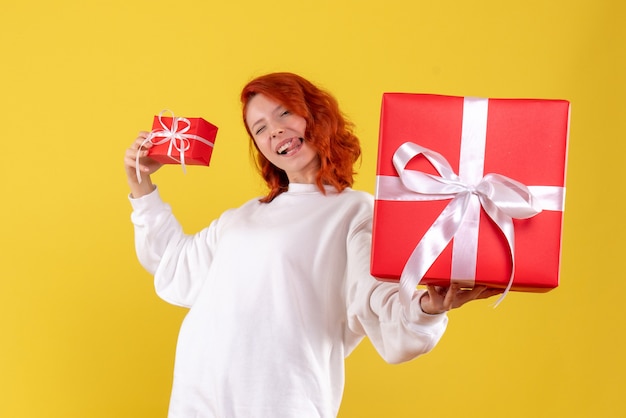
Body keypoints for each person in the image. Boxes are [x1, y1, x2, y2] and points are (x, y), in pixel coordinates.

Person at [124, 72, 502, 418]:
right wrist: (140, 184)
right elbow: (174, 263)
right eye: (260, 128)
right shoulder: (241, 217)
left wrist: (425, 308)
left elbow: (376, 300)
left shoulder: (355, 211)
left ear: (315, 115)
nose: (274, 131)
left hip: (282, 403)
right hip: (197, 399)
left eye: (284, 113)